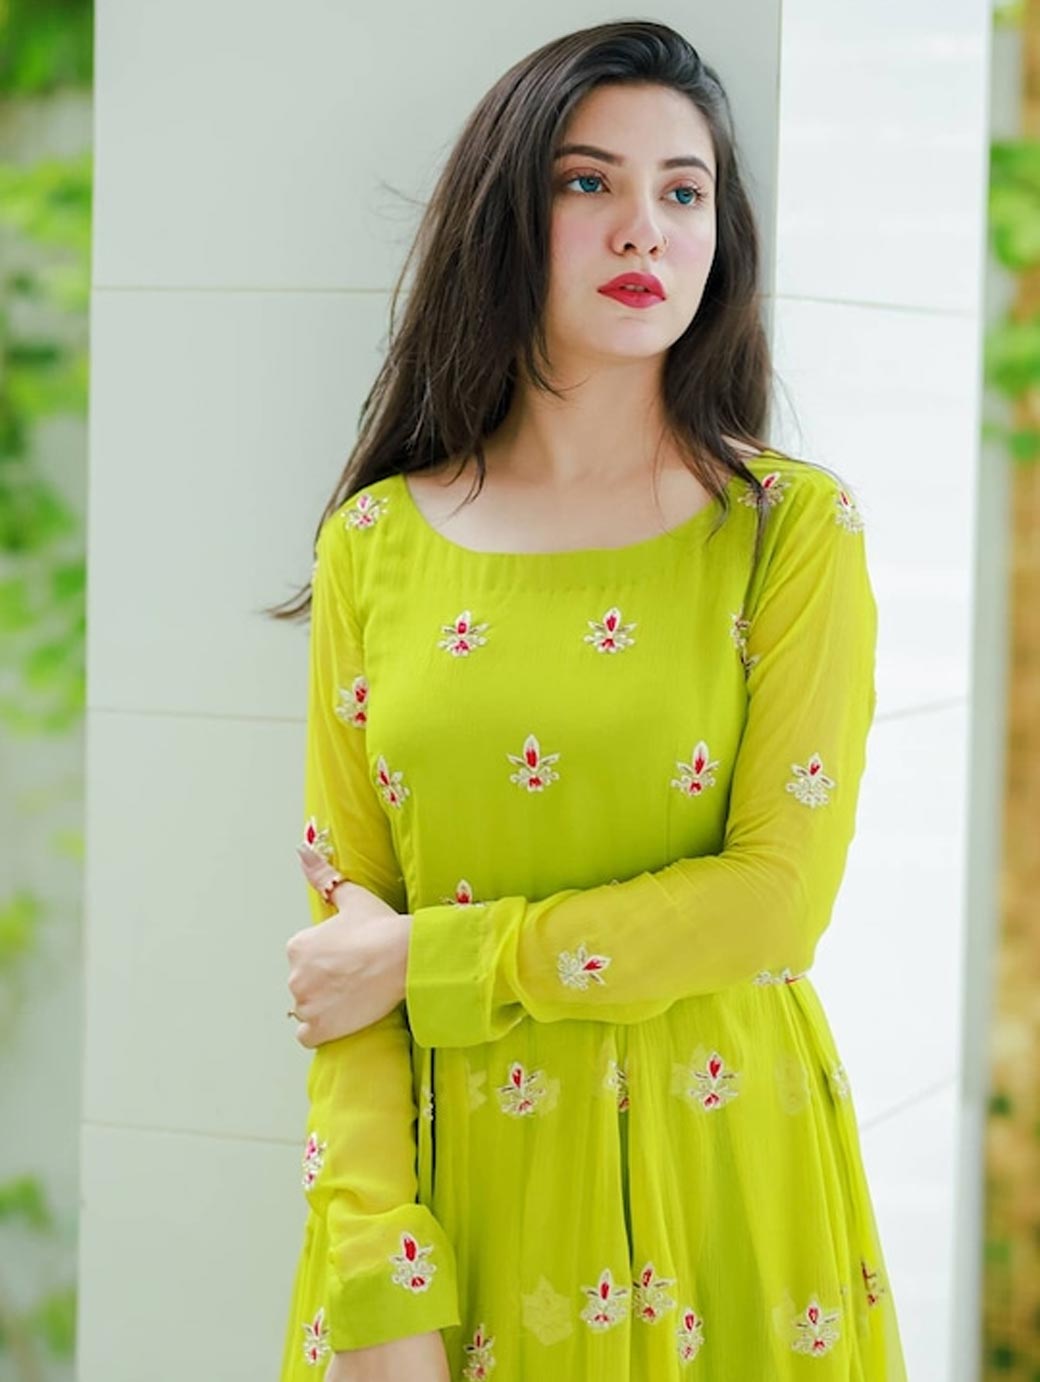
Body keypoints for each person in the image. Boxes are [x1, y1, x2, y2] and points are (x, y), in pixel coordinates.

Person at [268, 19, 910, 1381]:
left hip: (721, 1183)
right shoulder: (375, 543)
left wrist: (441, 961)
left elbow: (773, 903)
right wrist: (377, 1281)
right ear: (505, 217)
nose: (643, 230)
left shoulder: (790, 531)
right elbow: (345, 953)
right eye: (588, 182)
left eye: (684, 191)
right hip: (458, 1197)